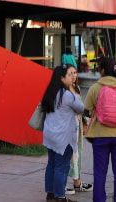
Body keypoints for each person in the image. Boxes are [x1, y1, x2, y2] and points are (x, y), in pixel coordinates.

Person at [84, 57, 116, 202]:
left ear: (102, 70)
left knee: (100, 172)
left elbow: (87, 110)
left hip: (100, 136)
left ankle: (99, 199)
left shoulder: (95, 88)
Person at [42, 64, 84, 202]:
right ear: (61, 78)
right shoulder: (67, 95)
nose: (72, 77)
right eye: (68, 75)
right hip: (63, 137)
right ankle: (60, 197)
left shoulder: (50, 92)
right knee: (61, 167)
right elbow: (80, 108)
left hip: (50, 135)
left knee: (52, 164)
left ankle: (50, 194)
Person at [65, 67, 93, 195]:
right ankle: (62, 184)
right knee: (66, 156)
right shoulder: (64, 90)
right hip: (66, 128)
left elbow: (81, 110)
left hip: (77, 127)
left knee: (76, 155)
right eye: (70, 73)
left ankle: (77, 181)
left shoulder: (77, 89)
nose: (73, 76)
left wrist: (84, 124)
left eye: (75, 73)